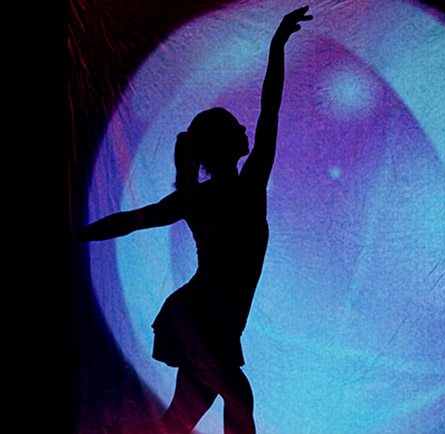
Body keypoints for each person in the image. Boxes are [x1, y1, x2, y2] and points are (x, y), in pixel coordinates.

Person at [74, 6, 313, 433]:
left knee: (180, 420)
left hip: (218, 329)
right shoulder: (203, 197)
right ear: (217, 147)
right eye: (234, 127)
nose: (245, 129)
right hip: (195, 322)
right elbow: (129, 221)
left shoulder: (245, 184)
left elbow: (269, 110)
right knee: (239, 399)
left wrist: (277, 46)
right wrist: (76, 235)